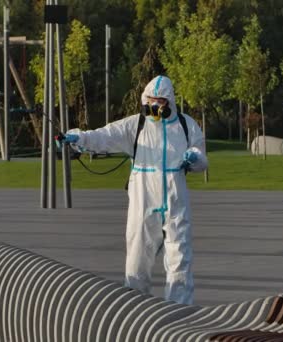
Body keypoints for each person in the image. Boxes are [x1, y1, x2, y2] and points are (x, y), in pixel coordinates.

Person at [60, 75, 208, 304]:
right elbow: (105, 136)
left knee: (180, 260)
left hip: (175, 201)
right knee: (137, 261)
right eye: (151, 100)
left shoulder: (186, 126)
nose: (155, 106)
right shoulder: (135, 125)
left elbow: (201, 158)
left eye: (159, 101)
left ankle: (181, 314)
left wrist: (194, 158)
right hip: (143, 199)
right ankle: (136, 313)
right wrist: (79, 138)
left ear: (169, 102)